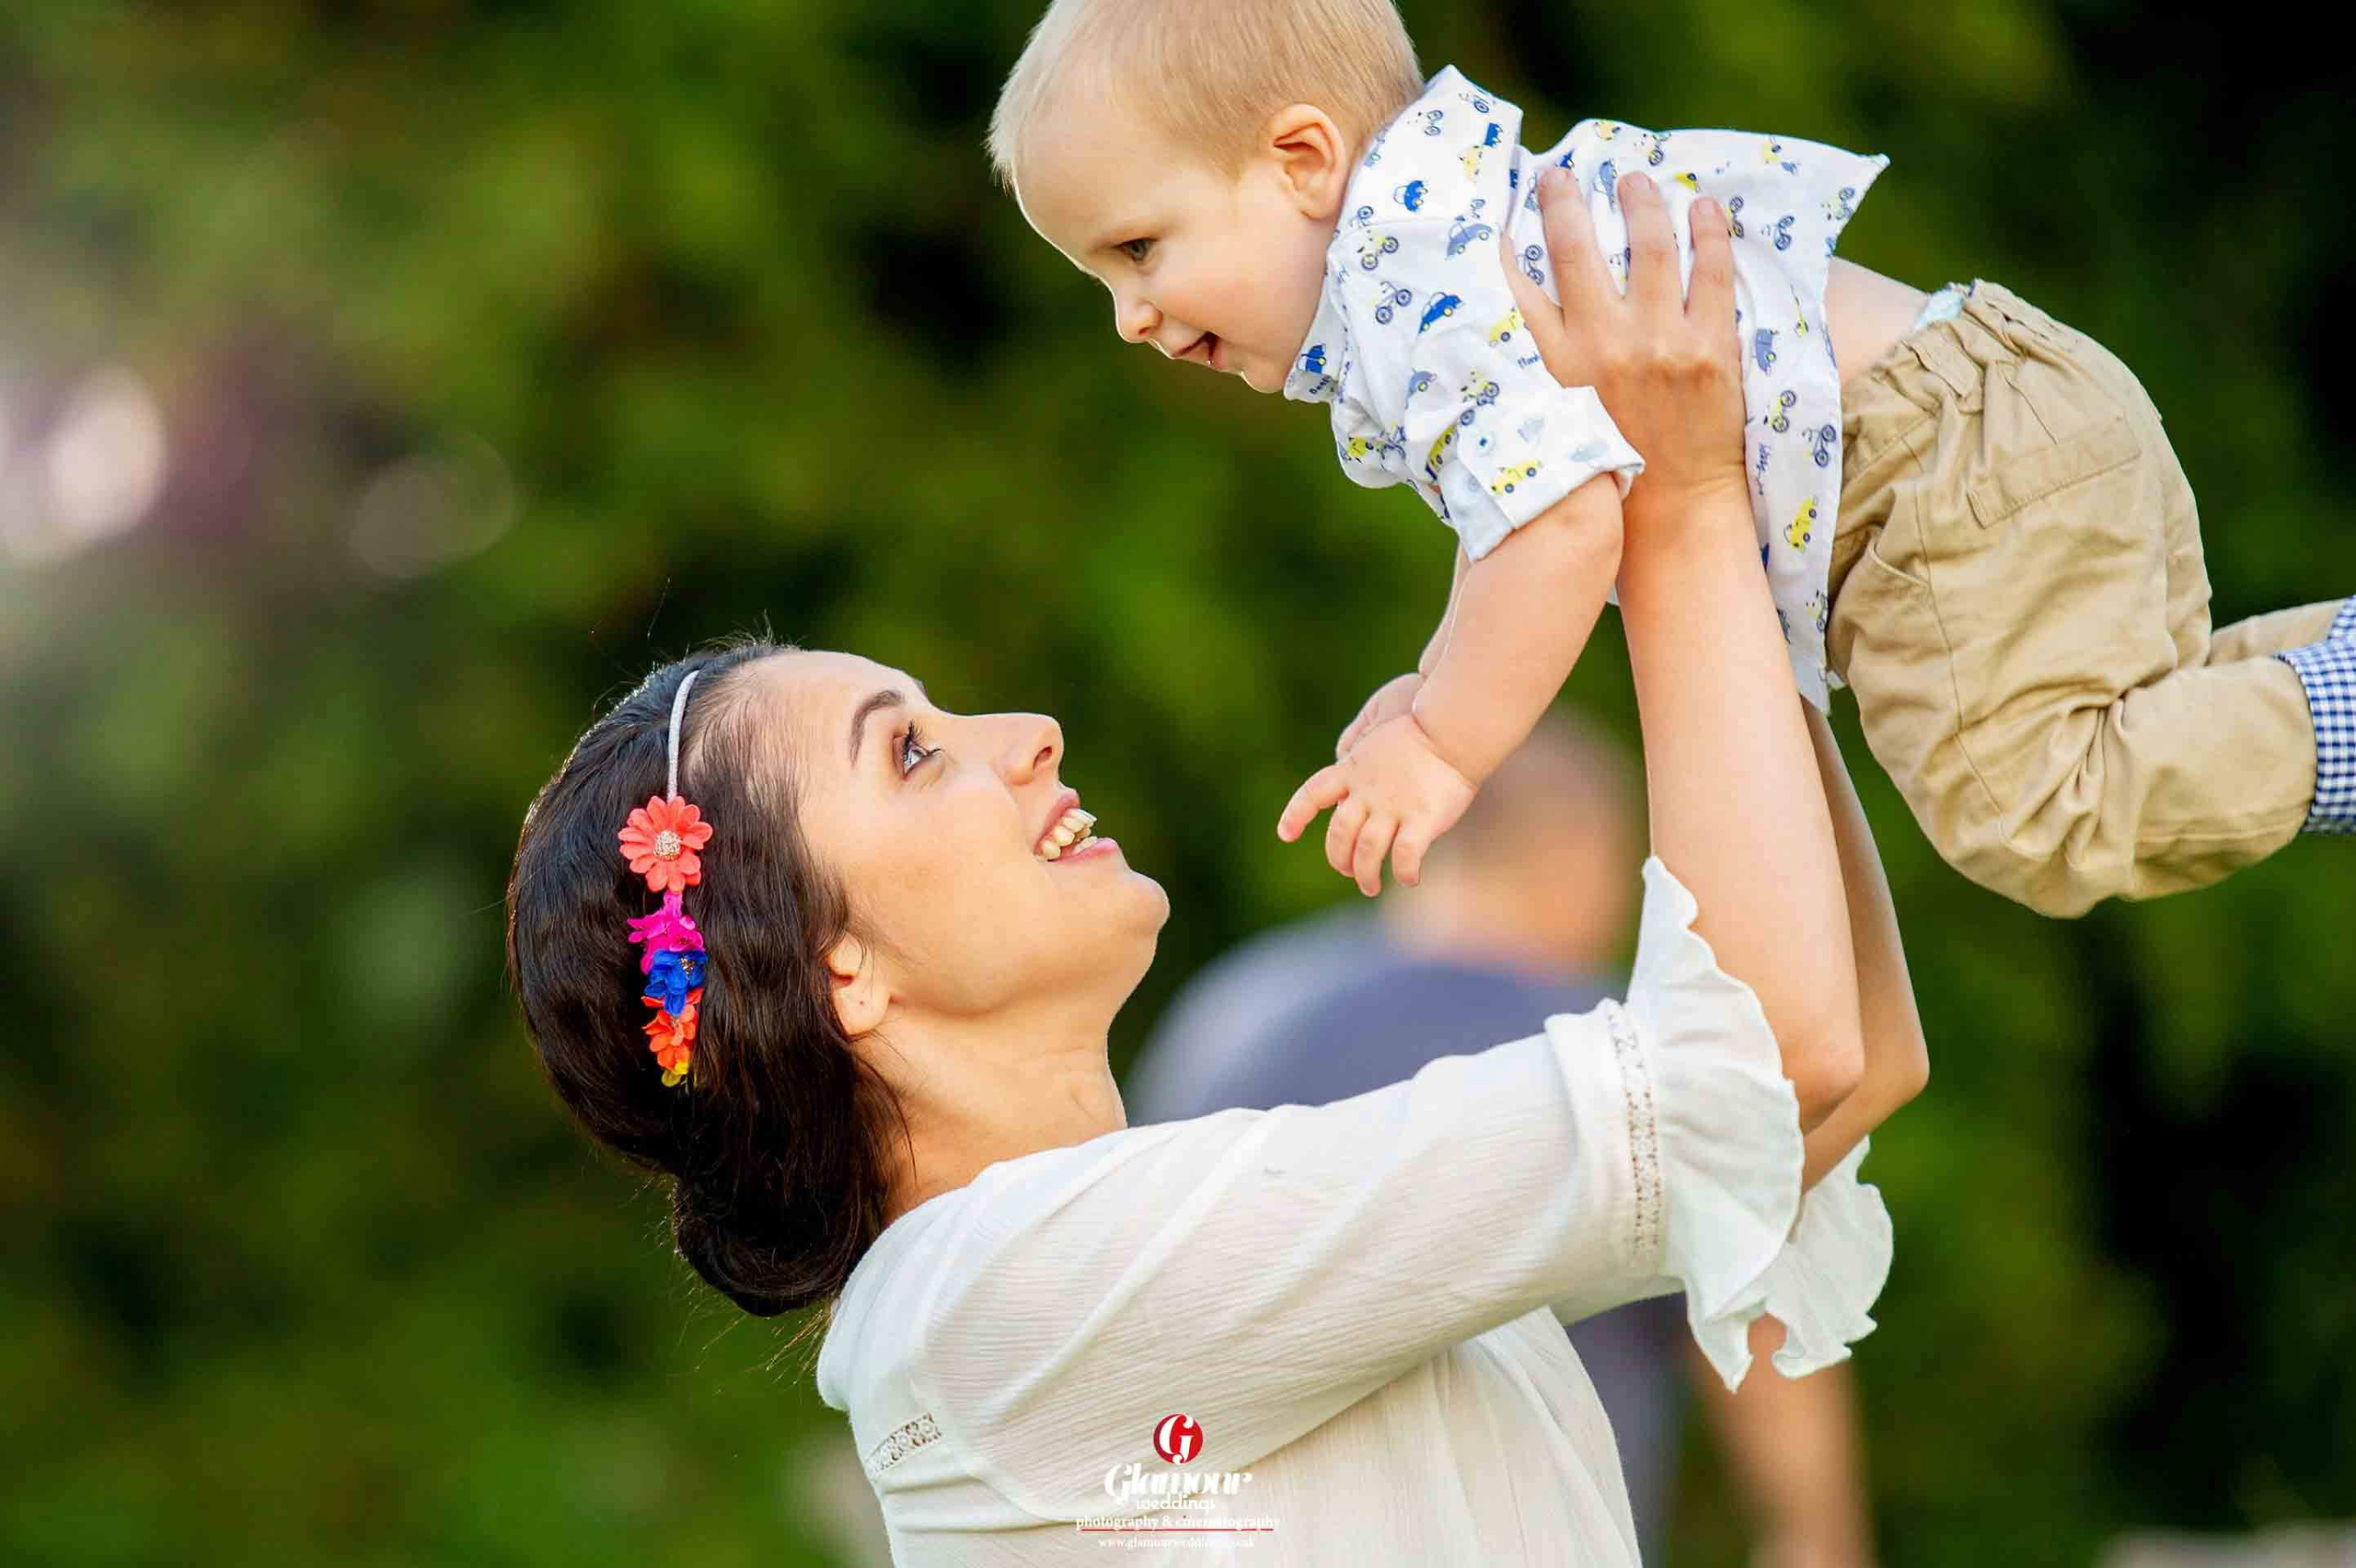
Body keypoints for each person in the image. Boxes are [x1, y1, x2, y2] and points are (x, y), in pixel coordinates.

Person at [502, 172, 1929, 1564]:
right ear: (840, 972)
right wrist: (1671, 508)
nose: (1029, 735)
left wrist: (1741, 549)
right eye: (914, 754)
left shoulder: (1148, 1258)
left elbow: (1840, 1064)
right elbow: (1762, 1069)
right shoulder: (1014, 1297)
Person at [987, 0, 2355, 917]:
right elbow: (1526, 518)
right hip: (1985, 416)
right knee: (2131, 731)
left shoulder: (1417, 284)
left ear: (1299, 160)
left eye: (1138, 250)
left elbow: (1561, 527)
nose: (1132, 318)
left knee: (2035, 811)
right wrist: (1433, 679)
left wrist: (1449, 747)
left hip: (1931, 461)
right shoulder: (1438, 237)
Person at [1127, 713, 1881, 1566]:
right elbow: (1757, 1312)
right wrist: (1813, 1534)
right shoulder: (1620, 1058)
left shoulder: (1235, 1016)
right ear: (1582, 856)